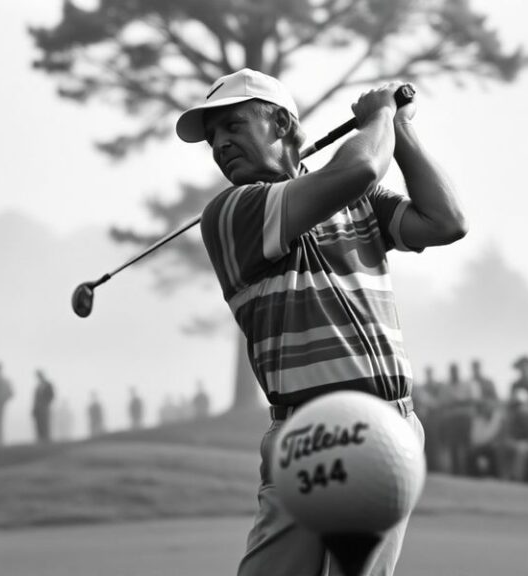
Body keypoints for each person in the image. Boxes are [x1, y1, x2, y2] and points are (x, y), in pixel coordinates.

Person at [176, 68, 466, 576]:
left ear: (283, 124)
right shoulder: (230, 212)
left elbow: (445, 221)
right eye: (213, 137)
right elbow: (356, 170)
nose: (220, 144)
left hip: (387, 425)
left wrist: (399, 131)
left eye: (234, 126)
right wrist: (379, 117)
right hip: (306, 431)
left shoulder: (358, 202)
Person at [32, 370, 55, 443]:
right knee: (39, 425)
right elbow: (35, 399)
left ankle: (46, 440)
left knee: (45, 424)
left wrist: (46, 403)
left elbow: (51, 395)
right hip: (38, 409)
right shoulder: (38, 387)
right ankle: (40, 440)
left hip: (45, 408)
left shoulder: (48, 385)